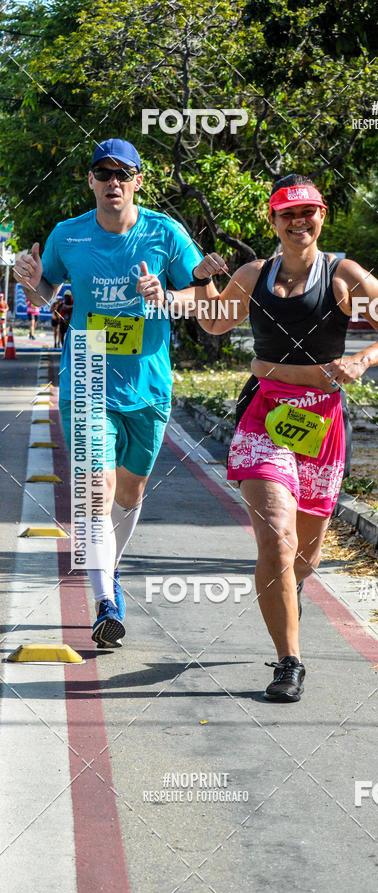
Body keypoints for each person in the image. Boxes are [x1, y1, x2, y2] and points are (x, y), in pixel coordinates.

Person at [191, 174, 378, 701]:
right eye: (287, 214)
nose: (298, 222)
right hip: (264, 417)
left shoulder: (343, 274)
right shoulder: (254, 273)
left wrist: (362, 359)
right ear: (273, 221)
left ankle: (288, 592)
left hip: (322, 423)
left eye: (307, 212)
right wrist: (203, 280)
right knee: (276, 540)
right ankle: (289, 662)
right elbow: (216, 325)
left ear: (321, 215)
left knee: (304, 557)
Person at [13, 138, 203, 648]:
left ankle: (107, 571)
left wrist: (168, 296)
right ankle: (105, 602)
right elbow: (47, 290)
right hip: (88, 374)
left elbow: (203, 296)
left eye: (123, 174)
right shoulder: (67, 235)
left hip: (149, 382)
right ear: (91, 180)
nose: (113, 182)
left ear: (138, 180)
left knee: (129, 492)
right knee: (94, 492)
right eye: (103, 173)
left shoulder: (165, 233)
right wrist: (31, 283)